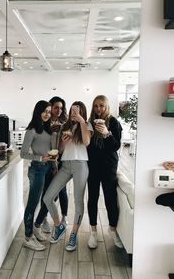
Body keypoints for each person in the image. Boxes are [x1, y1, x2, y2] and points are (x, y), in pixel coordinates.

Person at [44, 101, 93, 251]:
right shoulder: (65, 126)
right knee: (47, 197)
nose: (74, 113)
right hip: (65, 165)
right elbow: (59, 150)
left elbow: (86, 142)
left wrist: (81, 121)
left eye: (77, 110)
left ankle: (74, 234)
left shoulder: (87, 125)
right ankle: (59, 226)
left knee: (78, 201)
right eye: (72, 110)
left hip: (81, 165)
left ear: (82, 112)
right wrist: (63, 144)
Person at [87, 95, 123, 249]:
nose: (98, 109)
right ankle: (93, 231)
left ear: (106, 106)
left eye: (101, 106)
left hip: (108, 166)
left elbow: (115, 146)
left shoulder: (114, 122)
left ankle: (112, 229)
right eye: (96, 106)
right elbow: (86, 145)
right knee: (93, 197)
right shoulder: (89, 123)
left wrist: (107, 133)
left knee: (110, 198)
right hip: (93, 166)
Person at [20, 100, 57, 251]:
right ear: (38, 112)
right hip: (37, 169)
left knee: (49, 198)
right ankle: (28, 238)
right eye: (45, 111)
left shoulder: (50, 130)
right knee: (32, 203)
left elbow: (51, 149)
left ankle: (37, 227)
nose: (48, 114)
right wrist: (39, 158)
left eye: (49, 111)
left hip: (49, 168)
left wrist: (53, 163)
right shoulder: (32, 130)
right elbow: (23, 153)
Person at [34, 96, 69, 235]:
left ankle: (64, 218)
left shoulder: (65, 124)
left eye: (61, 108)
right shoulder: (44, 123)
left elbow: (62, 148)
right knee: (48, 193)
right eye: (56, 107)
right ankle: (43, 220)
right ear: (50, 107)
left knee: (62, 191)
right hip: (47, 161)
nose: (58, 110)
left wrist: (63, 137)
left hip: (61, 161)